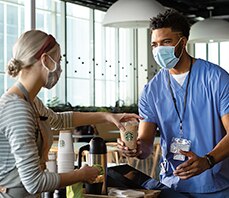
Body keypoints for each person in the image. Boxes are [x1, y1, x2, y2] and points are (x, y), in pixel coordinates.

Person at [0, 29, 141, 197]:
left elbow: (59, 120)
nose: (59, 68)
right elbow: (34, 182)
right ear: (45, 60)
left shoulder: (31, 102)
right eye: (58, 61)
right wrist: (81, 175)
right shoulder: (18, 109)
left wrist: (107, 116)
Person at [118, 9, 229, 197]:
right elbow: (145, 144)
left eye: (166, 42)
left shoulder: (216, 79)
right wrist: (136, 149)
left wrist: (207, 161)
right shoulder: (151, 90)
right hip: (172, 185)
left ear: (183, 42)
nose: (158, 50)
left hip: (215, 185)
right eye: (154, 44)